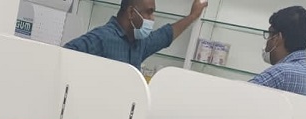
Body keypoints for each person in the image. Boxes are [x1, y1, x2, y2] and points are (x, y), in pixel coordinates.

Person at [64, 0, 207, 71]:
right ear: (131, 13)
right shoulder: (102, 38)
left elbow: (165, 35)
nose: (152, 18)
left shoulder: (139, 43)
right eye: (149, 12)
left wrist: (193, 16)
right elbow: (63, 55)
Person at [250, 6, 306, 99]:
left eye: (269, 34)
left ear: (277, 38)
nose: (267, 40)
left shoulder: (281, 73)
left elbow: (239, 95)